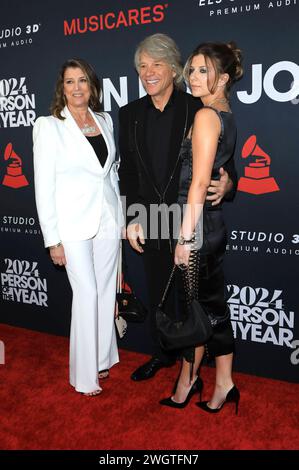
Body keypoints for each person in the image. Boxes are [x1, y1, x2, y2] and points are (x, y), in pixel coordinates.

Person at [119, 34, 237, 382]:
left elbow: (223, 163)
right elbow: (127, 171)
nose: (148, 72)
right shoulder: (129, 115)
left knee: (193, 299)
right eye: (142, 66)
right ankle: (162, 354)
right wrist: (132, 218)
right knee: (159, 291)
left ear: (173, 68)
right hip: (152, 218)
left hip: (189, 216)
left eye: (156, 64)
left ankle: (192, 367)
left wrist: (230, 183)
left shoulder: (197, 107)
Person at [159, 41, 243, 413]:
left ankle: (208, 381)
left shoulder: (207, 117)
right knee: (207, 306)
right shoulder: (223, 114)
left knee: (202, 308)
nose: (192, 77)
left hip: (197, 229)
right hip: (208, 225)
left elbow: (197, 183)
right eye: (191, 69)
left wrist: (184, 239)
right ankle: (208, 380)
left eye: (203, 70)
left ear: (222, 78)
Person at [33, 58, 123, 396]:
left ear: (92, 86)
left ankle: (101, 359)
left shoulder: (104, 120)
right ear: (62, 88)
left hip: (107, 220)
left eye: (82, 80)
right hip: (71, 225)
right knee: (86, 293)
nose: (76, 87)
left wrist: (122, 218)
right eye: (69, 82)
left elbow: (111, 174)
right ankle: (84, 377)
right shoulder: (49, 125)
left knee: (103, 292)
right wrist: (52, 239)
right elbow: (44, 187)